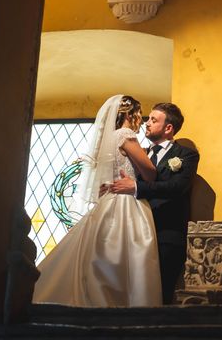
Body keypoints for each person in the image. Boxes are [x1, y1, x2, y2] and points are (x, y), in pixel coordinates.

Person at [32, 95, 162, 307]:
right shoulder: (125, 134)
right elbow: (150, 173)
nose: (142, 119)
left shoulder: (107, 138)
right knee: (131, 256)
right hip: (127, 202)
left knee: (103, 255)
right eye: (139, 114)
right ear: (130, 114)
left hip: (108, 199)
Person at [108, 102, 200, 304]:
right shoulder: (137, 152)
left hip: (166, 235)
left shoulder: (186, 155)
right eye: (148, 118)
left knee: (160, 295)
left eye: (153, 120)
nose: (146, 123)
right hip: (134, 233)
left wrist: (136, 188)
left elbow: (177, 187)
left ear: (168, 128)